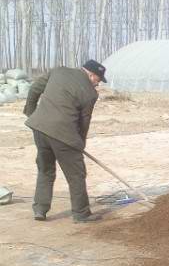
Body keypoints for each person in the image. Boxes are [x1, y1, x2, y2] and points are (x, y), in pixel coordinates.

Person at [23, 60, 107, 223]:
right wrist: (80, 144)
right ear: (90, 74)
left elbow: (34, 89)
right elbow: (84, 122)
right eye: (98, 80)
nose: (98, 84)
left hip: (39, 128)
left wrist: (31, 112)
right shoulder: (90, 94)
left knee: (45, 170)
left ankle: (40, 209)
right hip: (64, 135)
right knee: (76, 174)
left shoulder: (59, 71)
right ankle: (81, 214)